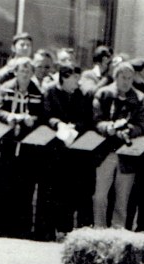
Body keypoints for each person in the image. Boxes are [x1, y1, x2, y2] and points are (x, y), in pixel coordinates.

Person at [91, 61, 144, 229]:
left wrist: (129, 131)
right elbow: (96, 118)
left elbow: (142, 123)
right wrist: (106, 128)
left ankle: (118, 231)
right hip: (105, 151)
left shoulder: (139, 98)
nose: (126, 81)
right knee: (100, 195)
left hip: (127, 154)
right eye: (123, 77)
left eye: (130, 78)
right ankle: (98, 229)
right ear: (115, 77)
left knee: (122, 198)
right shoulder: (104, 94)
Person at [0, 56, 45, 238]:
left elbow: (41, 115)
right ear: (15, 71)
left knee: (26, 187)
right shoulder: (5, 88)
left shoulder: (37, 91)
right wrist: (11, 117)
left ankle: (21, 230)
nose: (25, 74)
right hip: (7, 142)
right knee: (5, 184)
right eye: (22, 71)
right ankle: (2, 228)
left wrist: (33, 120)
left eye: (28, 71)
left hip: (28, 146)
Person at [43, 63, 94, 235]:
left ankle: (68, 230)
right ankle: (54, 230)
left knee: (73, 193)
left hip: (76, 151)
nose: (77, 82)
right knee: (55, 192)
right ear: (64, 77)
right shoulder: (51, 92)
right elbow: (47, 114)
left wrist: (75, 126)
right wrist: (59, 124)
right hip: (56, 150)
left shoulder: (83, 94)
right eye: (74, 78)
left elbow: (87, 117)